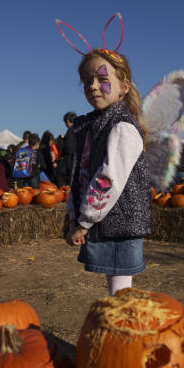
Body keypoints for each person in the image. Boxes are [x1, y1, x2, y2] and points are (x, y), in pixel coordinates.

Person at [65, 47, 152, 296]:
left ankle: (123, 333)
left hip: (119, 223)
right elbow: (81, 173)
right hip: (107, 221)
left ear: (124, 86)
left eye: (102, 79)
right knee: (115, 287)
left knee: (120, 293)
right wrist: (74, 212)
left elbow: (108, 179)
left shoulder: (122, 126)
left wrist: (84, 220)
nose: (93, 86)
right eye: (87, 80)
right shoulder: (94, 125)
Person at [57, 111, 77, 185]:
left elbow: (68, 147)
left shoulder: (70, 131)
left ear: (67, 121)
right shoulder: (79, 129)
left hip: (69, 161)